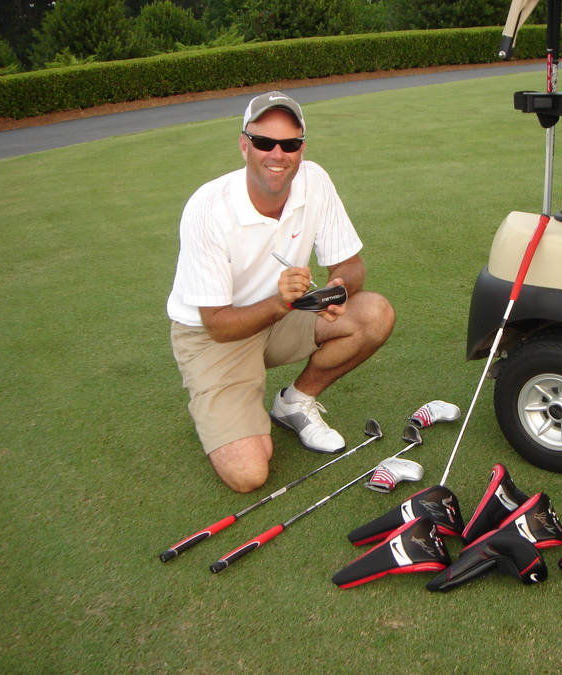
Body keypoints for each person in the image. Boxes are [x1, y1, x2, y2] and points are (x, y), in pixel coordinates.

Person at [166, 91, 395, 493]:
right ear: (244, 145)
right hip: (214, 338)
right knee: (249, 473)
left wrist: (337, 291)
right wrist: (281, 302)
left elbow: (351, 264)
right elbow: (217, 324)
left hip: (282, 314)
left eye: (289, 144)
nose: (277, 154)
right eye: (263, 142)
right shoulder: (207, 208)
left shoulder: (314, 180)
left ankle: (295, 403)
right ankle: (217, 401)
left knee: (375, 314)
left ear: (301, 149)